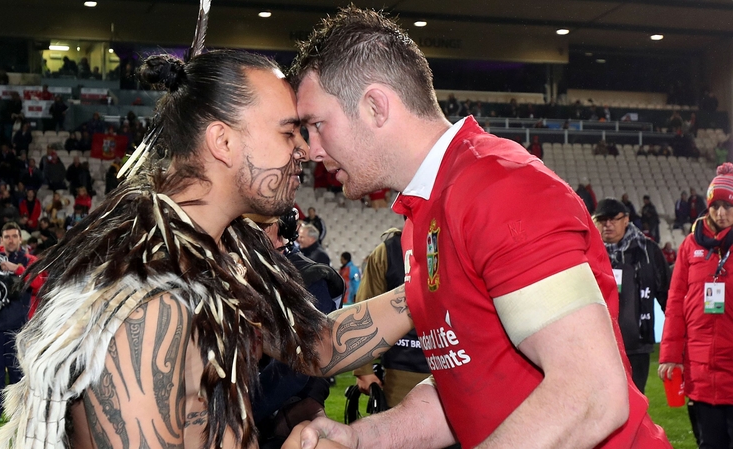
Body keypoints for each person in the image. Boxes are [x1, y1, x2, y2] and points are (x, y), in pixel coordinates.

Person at [286, 6, 669, 448]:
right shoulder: (426, 212)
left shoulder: (498, 187)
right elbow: (462, 388)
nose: (311, 149)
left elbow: (590, 394)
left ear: (375, 106)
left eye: (317, 125)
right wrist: (359, 439)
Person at [0, 48, 329, 449]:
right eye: (288, 132)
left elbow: (319, 345)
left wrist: (418, 291)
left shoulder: (223, 262)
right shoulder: (148, 303)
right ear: (223, 141)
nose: (303, 148)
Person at [248, 210, 344, 448]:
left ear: (278, 228)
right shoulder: (244, 269)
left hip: (278, 413)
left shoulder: (311, 278)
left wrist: (243, 411)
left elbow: (304, 365)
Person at [660, 162, 733, 449]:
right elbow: (675, 302)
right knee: (709, 444)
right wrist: (669, 354)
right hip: (699, 369)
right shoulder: (690, 246)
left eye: (728, 206)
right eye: (716, 206)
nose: (721, 213)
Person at [592, 198, 670, 393]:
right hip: (595, 343)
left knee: (634, 402)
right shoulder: (586, 252)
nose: (607, 225)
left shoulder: (648, 251)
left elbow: (667, 296)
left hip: (637, 344)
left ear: (626, 220)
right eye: (602, 220)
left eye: (613, 219)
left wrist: (675, 339)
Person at [352, 227, 431, 408]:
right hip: (402, 369)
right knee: (404, 433)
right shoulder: (388, 251)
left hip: (456, 368)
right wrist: (363, 369)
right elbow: (366, 310)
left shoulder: (458, 242)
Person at [0, 222, 43, 423]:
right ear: (2, 240)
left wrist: (19, 269)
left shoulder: (29, 260)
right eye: (7, 237)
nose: (11, 240)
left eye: (14, 236)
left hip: (18, 327)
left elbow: (40, 283)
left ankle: (19, 415)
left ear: (20, 239)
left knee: (18, 374)